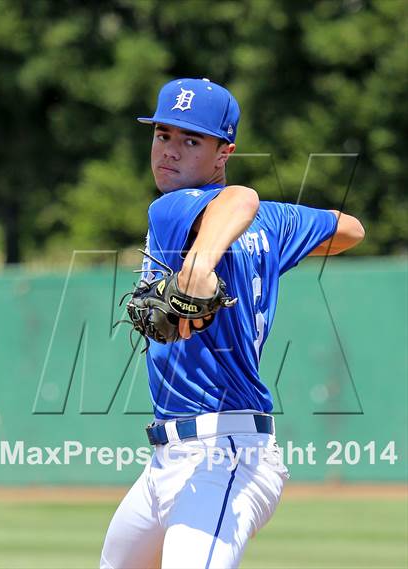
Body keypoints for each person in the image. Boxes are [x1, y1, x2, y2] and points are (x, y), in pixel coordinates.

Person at [100, 78, 365, 569]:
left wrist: (200, 265)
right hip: (171, 459)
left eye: (191, 140)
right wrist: (277, 239)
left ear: (224, 152)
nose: (170, 152)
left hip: (221, 456)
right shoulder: (274, 223)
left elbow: (240, 197)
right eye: (163, 135)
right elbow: (350, 228)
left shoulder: (172, 207)